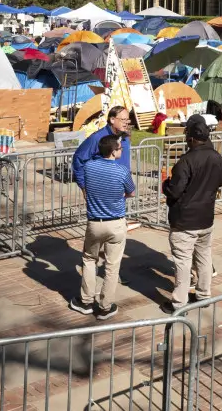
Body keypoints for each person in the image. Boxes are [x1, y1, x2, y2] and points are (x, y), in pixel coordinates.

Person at [161, 113, 222, 313]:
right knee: (204, 257)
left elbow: (175, 190)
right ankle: (203, 295)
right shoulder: (216, 157)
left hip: (185, 221)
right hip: (206, 218)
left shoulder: (186, 161)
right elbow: (220, 182)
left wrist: (165, 184)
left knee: (183, 261)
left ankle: (179, 304)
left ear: (190, 138)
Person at [69, 135, 135, 319]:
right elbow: (131, 191)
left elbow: (84, 177)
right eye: (120, 148)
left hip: (95, 222)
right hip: (116, 222)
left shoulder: (89, 168)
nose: (122, 151)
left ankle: (86, 300)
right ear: (113, 151)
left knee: (89, 260)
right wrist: (120, 197)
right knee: (112, 266)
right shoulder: (122, 171)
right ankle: (106, 306)